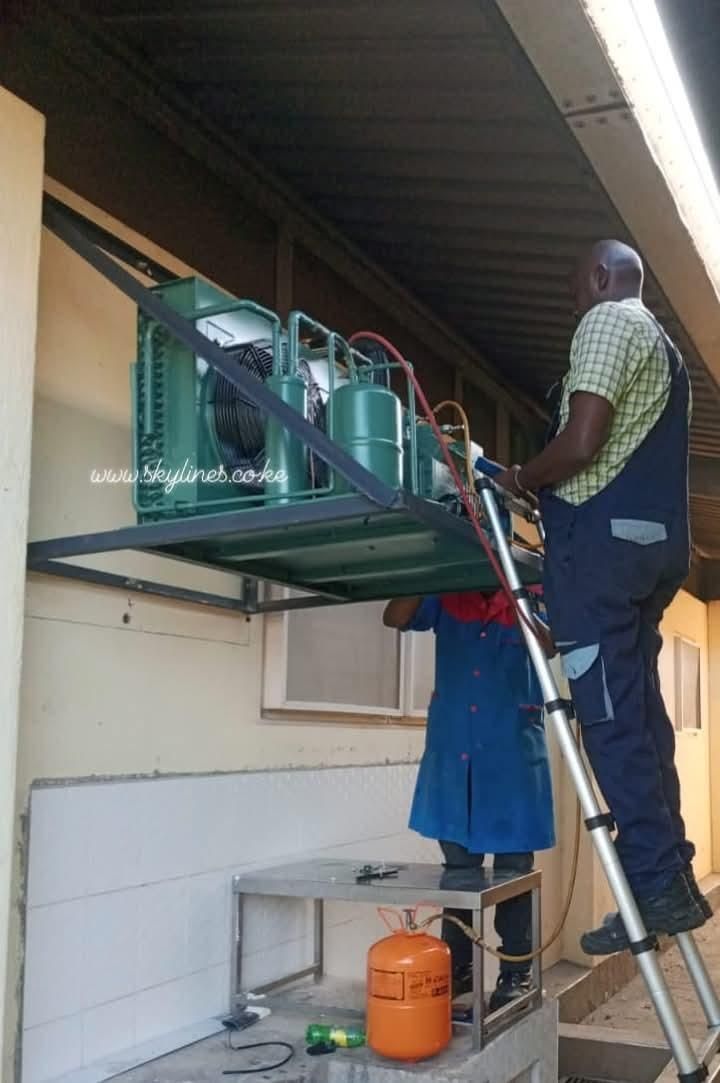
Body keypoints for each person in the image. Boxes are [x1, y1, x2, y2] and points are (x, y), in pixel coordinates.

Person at [493, 239, 709, 955]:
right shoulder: (666, 352)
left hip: (603, 549)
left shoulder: (609, 320)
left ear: (597, 276)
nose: (574, 307)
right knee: (640, 714)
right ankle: (671, 875)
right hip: (651, 548)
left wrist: (521, 477)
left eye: (573, 292)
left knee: (611, 719)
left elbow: (582, 440)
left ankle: (651, 880)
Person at [383, 590, 556, 1009]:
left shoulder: (534, 590)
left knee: (514, 872)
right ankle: (458, 966)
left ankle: (516, 972)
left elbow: (551, 645)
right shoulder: (447, 593)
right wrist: (428, 569)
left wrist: (519, 599)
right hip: (455, 754)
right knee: (459, 871)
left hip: (511, 757)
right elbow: (395, 616)